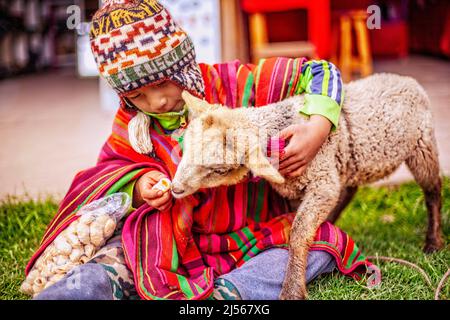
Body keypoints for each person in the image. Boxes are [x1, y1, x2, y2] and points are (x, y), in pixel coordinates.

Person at [27, 0, 377, 300]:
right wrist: (139, 184)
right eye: (137, 95)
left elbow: (320, 71)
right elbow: (112, 168)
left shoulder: (233, 83)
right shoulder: (134, 122)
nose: (158, 101)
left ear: (183, 60)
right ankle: (92, 284)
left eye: (164, 82)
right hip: (169, 241)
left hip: (251, 228)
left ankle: (232, 290)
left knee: (320, 243)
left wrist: (317, 127)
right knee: (122, 254)